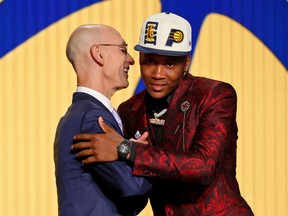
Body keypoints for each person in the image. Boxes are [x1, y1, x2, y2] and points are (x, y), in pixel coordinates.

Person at [71, 12, 254, 215]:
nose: (157, 74)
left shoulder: (215, 95)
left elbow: (203, 166)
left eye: (169, 64)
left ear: (186, 63)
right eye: (149, 61)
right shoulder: (129, 109)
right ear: (139, 58)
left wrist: (126, 149)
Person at [53, 24, 152, 216]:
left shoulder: (82, 114)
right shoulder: (92, 119)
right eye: (123, 50)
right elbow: (133, 188)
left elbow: (130, 201)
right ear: (98, 54)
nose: (131, 60)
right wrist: (142, 154)